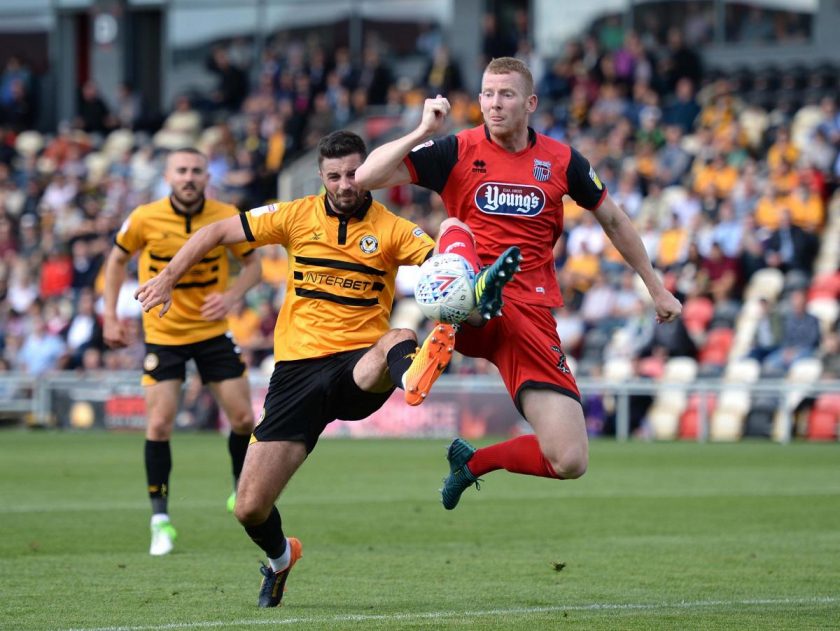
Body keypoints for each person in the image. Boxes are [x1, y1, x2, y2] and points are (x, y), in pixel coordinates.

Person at [134, 131, 447, 607]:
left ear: (370, 173)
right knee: (249, 507)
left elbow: (444, 266)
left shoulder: (394, 228)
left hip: (356, 367)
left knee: (399, 339)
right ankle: (281, 560)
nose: (346, 184)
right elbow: (216, 232)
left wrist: (462, 280)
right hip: (296, 373)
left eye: (355, 174)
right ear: (320, 176)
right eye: (335, 176)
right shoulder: (294, 214)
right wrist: (168, 276)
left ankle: (411, 375)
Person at [354, 56, 681, 510]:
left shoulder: (563, 160)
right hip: (465, 292)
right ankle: (465, 307)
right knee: (456, 228)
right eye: (487, 93)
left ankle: (470, 465)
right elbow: (366, 177)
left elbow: (614, 219)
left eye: (506, 94)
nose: (494, 103)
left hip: (530, 312)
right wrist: (421, 131)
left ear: (530, 102)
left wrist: (655, 285)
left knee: (569, 458)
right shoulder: (455, 150)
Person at [103, 147, 262, 556]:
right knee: (158, 425)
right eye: (181, 171)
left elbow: (254, 266)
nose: (189, 177)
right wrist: (109, 315)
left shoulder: (225, 213)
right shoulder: (143, 217)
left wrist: (232, 297)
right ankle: (161, 521)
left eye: (196, 171)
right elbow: (116, 262)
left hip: (212, 332)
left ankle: (239, 491)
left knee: (244, 418)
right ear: (168, 177)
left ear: (207, 176)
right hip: (164, 333)